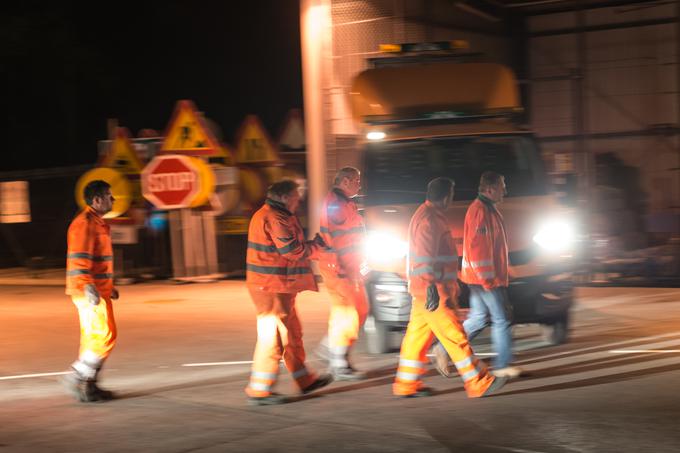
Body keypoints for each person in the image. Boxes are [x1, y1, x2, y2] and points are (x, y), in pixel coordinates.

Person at [393, 177, 506, 398]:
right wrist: (431, 287)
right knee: (455, 336)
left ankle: (406, 385)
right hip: (433, 291)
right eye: (452, 195)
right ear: (446, 197)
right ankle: (478, 382)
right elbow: (425, 256)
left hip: (424, 290)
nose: (453, 199)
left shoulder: (425, 215)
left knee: (416, 338)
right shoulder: (430, 220)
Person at [244, 180, 333, 405]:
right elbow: (292, 251)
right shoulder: (275, 218)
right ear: (284, 198)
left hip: (278, 286)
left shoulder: (276, 215)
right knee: (272, 338)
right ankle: (260, 390)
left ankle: (304, 381)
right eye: (295, 196)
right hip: (270, 287)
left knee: (292, 334)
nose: (298, 200)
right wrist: (317, 248)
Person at [60, 180, 119, 402]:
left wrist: (108, 286)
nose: (113, 199)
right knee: (104, 336)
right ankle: (78, 376)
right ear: (97, 200)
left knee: (94, 337)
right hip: (88, 292)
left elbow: (97, 261)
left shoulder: (97, 223)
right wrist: (88, 286)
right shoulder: (84, 223)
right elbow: (79, 258)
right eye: (109, 195)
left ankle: (88, 387)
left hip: (96, 289)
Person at [460, 171, 521, 378]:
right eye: (502, 186)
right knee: (502, 319)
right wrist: (488, 279)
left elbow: (494, 248)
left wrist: (506, 269)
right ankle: (503, 366)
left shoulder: (488, 210)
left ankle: (445, 346)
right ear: (490, 188)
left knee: (478, 317)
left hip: (482, 277)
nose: (505, 190)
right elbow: (478, 250)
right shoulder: (481, 211)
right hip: (484, 278)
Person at [317, 167, 369, 381]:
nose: (359, 184)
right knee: (346, 313)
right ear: (346, 181)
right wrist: (341, 268)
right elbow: (335, 240)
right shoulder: (335, 204)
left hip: (349, 268)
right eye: (357, 180)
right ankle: (339, 363)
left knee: (360, 310)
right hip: (339, 269)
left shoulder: (345, 202)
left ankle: (330, 348)